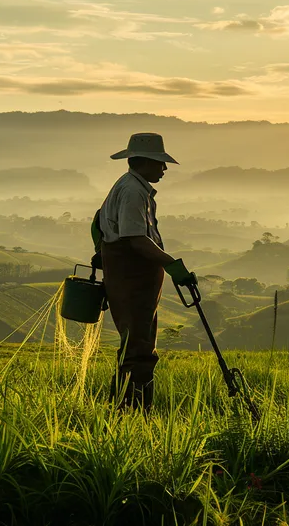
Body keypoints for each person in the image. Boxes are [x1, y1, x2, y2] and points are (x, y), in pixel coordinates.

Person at [91, 132, 195, 412]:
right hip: (132, 278)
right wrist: (172, 265)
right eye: (160, 163)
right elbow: (135, 239)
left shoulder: (131, 187)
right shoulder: (134, 192)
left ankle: (126, 408)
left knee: (137, 344)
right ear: (144, 162)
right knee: (138, 349)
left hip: (133, 278)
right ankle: (133, 412)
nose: (163, 169)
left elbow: (98, 223)